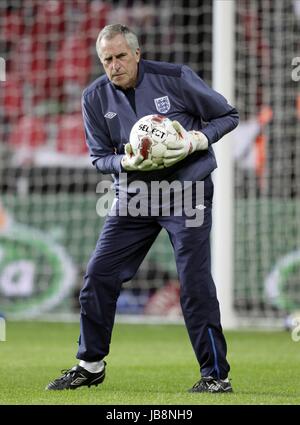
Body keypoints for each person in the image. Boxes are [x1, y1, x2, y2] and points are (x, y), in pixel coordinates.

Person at [46, 24, 239, 393]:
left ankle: (215, 375)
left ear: (136, 53)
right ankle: (90, 365)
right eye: (106, 60)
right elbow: (99, 158)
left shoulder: (176, 78)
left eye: (120, 56)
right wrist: (126, 163)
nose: (114, 65)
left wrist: (198, 138)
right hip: (134, 195)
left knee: (195, 284)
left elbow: (227, 115)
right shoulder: (94, 98)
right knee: (98, 276)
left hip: (187, 191)